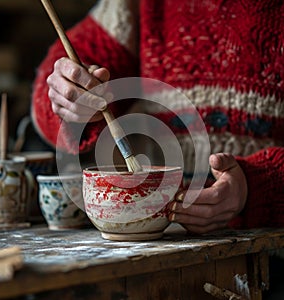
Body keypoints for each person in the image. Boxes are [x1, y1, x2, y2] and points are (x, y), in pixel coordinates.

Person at [31, 0, 284, 235]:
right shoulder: (139, 5)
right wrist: (68, 99)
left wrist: (256, 185)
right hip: (158, 247)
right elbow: (55, 85)